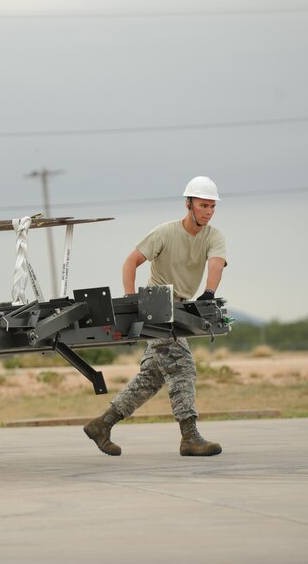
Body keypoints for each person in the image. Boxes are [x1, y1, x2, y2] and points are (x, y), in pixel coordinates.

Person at [84, 176, 227, 458]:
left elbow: (217, 262)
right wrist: (130, 299)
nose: (208, 212)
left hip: (181, 307)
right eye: (203, 206)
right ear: (188, 204)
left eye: (212, 207)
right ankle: (189, 437)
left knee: (151, 377)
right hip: (156, 304)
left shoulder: (214, 236)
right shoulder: (165, 232)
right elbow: (131, 261)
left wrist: (209, 292)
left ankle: (102, 424)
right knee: (182, 367)